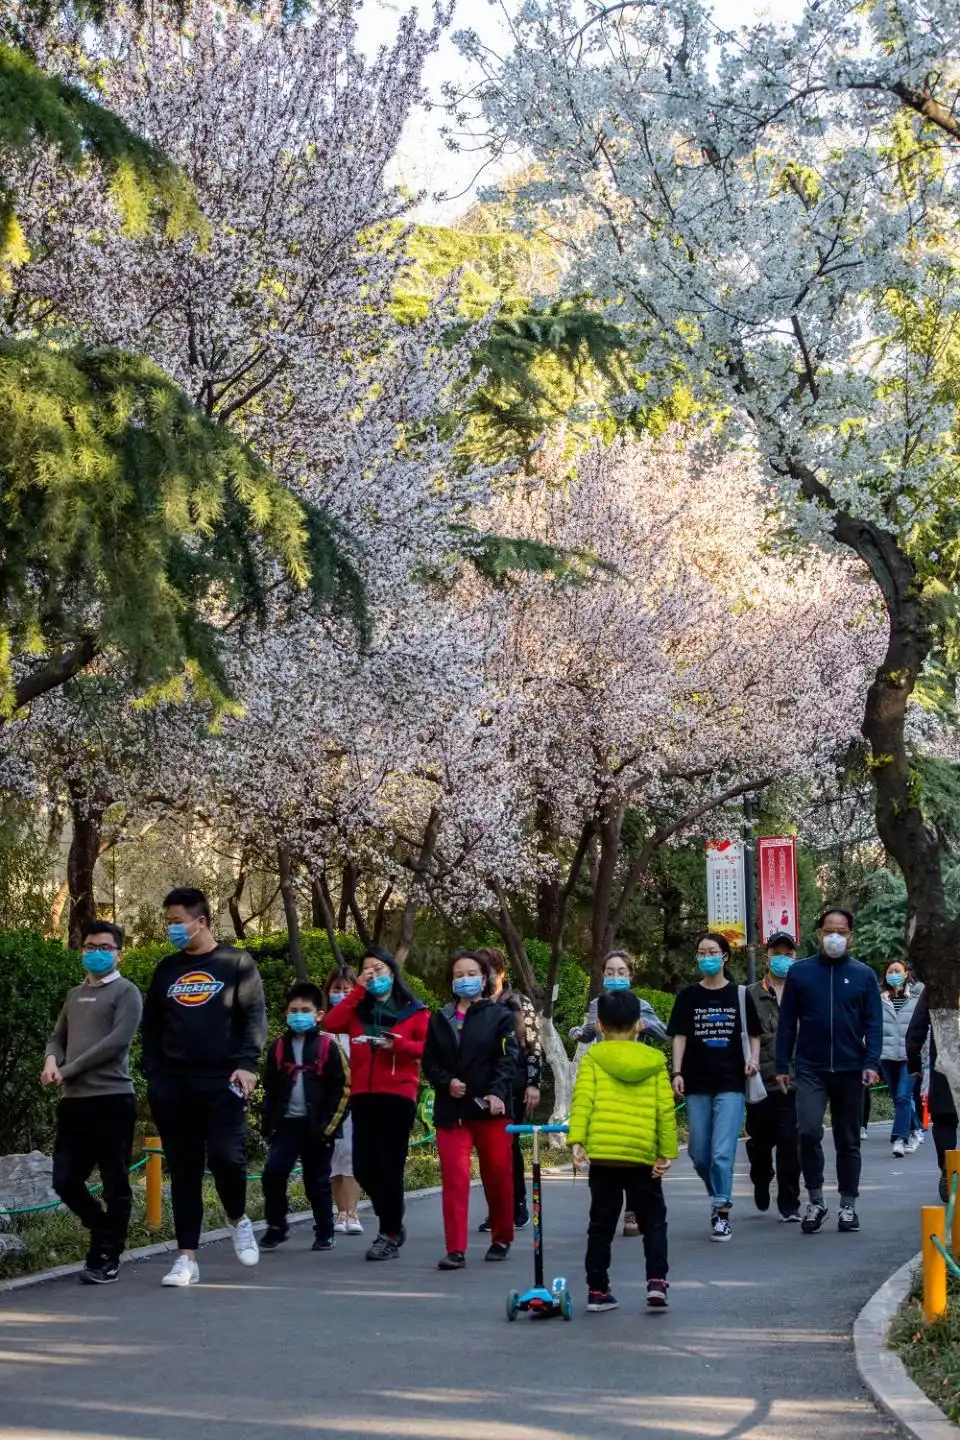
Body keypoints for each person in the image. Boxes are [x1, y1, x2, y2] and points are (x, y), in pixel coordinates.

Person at [142, 887, 267, 1287]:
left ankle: (236, 1216)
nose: (172, 929)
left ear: (201, 921)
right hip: (175, 1083)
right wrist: (156, 1077)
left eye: (177, 922)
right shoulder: (166, 969)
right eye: (169, 923)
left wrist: (248, 1065)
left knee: (228, 1158)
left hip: (223, 1078)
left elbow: (252, 1017)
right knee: (184, 1170)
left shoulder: (236, 963)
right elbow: (152, 1028)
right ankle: (187, 1258)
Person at [42, 920, 143, 1285]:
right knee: (65, 1179)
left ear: (119, 953)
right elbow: (57, 1037)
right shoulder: (74, 995)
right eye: (89, 946)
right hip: (74, 1102)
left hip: (112, 1099)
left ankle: (108, 1255)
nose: (95, 953)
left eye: (104, 947)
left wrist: (69, 1069)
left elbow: (117, 1044)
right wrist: (52, 1061)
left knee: (115, 1181)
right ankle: (102, 1230)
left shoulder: (126, 992)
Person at [775, 907, 882, 1235]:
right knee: (807, 1131)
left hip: (851, 1069)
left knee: (848, 1139)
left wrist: (871, 1062)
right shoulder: (801, 973)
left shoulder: (864, 975)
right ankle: (817, 1200)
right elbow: (787, 1023)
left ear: (850, 936)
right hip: (810, 1068)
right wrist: (782, 1064)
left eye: (842, 931)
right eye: (829, 930)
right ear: (819, 934)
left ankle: (847, 1205)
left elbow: (874, 1024)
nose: (835, 936)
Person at [569, 989, 678, 1313]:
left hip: (604, 1155)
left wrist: (577, 1141)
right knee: (654, 1220)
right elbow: (664, 1110)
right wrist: (666, 1152)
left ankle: (598, 1291)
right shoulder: (656, 1062)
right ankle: (656, 1282)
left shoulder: (593, 1060)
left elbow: (583, 1101)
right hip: (642, 1156)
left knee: (601, 1222)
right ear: (640, 1025)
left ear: (599, 1026)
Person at [323, 945, 428, 1261]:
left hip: (398, 1096)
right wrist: (357, 991)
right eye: (367, 970)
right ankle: (393, 1218)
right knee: (364, 1168)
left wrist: (399, 1046)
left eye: (379, 970)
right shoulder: (358, 1008)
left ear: (393, 972)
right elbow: (331, 1022)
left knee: (389, 1168)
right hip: (363, 1096)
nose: (373, 975)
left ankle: (389, 1234)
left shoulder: (414, 1010)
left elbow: (427, 1048)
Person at [422, 951, 519, 1270]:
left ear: (484, 977)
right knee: (455, 1178)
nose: (465, 979)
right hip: (452, 1111)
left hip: (489, 1109)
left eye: (471, 973)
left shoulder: (501, 1015)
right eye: (458, 974)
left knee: (497, 1174)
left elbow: (507, 1059)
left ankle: (501, 1237)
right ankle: (455, 1249)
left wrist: (495, 1092)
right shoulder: (440, 1018)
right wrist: (446, 1082)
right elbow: (429, 1063)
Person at [667, 931, 761, 1242]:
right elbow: (679, 1036)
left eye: (712, 951)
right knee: (698, 1152)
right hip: (696, 1082)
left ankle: (721, 1211)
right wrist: (677, 1071)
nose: (706, 957)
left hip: (731, 1081)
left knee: (722, 1152)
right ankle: (717, 1193)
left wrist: (754, 1061)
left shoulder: (739, 994)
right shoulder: (688, 997)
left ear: (724, 957)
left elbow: (754, 1034)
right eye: (701, 951)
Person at [569, 949, 669, 1238]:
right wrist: (578, 1031)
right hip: (606, 1076)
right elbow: (590, 1033)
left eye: (621, 972)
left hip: (636, 1076)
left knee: (635, 1143)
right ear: (603, 975)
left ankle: (633, 1212)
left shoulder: (642, 1004)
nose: (615, 977)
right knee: (611, 1141)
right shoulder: (596, 1004)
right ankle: (607, 1210)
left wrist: (643, 1023)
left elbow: (664, 1034)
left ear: (630, 976)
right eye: (610, 972)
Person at [259, 982, 350, 1252]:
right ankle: (277, 1226)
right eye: (293, 1010)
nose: (298, 1015)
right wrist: (268, 1125)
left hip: (318, 1127)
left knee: (317, 1181)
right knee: (273, 1174)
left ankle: (324, 1230)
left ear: (318, 1014)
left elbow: (343, 1089)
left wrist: (328, 1128)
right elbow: (270, 1088)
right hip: (286, 1125)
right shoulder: (278, 1047)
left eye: (305, 1010)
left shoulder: (328, 1047)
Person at [474, 946, 542, 1231]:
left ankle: (518, 1205)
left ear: (500, 972)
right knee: (486, 1151)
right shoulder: (474, 1004)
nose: (485, 976)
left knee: (508, 1147)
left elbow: (534, 1044)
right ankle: (495, 1209)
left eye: (489, 970)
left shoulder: (517, 1002)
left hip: (512, 1083)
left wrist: (533, 1083)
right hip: (481, 1084)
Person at [745, 932, 802, 1222]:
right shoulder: (750, 994)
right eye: (777, 952)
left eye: (788, 953)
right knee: (761, 1141)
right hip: (761, 1081)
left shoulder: (803, 991)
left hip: (794, 1081)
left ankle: (789, 1200)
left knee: (791, 1141)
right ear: (767, 956)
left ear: (795, 956)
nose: (783, 958)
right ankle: (761, 1176)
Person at [907, 986, 958, 1202]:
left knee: (945, 1120)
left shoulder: (937, 983)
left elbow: (915, 1031)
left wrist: (914, 1062)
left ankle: (948, 1170)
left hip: (947, 1065)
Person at [322, 969, 363, 1235]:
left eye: (347, 990)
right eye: (336, 990)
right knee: (332, 1162)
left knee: (351, 1159)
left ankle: (352, 1212)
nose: (341, 995)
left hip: (356, 1104)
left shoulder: (361, 1028)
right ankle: (339, 1212)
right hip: (328, 1107)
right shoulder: (322, 1030)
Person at [880, 959, 924, 1158]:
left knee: (903, 1096)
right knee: (900, 1099)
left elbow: (926, 1025)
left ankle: (900, 1138)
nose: (894, 974)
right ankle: (915, 1129)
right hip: (887, 1056)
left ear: (906, 974)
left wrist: (923, 1050)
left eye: (898, 971)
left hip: (910, 1055)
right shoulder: (879, 998)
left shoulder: (916, 996)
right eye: (890, 971)